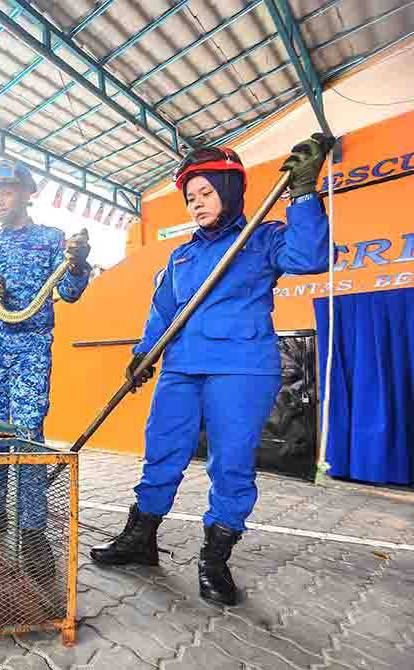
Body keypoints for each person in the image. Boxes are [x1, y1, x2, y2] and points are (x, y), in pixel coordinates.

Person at [90, 135, 334, 606]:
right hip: (181, 366)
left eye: (205, 193)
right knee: (161, 451)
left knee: (231, 465)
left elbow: (310, 258)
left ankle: (215, 558)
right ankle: (141, 539)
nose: (196, 204)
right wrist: (144, 354)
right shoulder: (180, 255)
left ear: (230, 188)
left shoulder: (262, 236)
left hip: (242, 368)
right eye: (190, 198)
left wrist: (303, 194)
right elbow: (162, 311)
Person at [0, 159, 92, 582]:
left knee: (28, 438)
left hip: (29, 352)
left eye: (6, 192)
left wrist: (77, 265)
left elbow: (70, 293)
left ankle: (33, 531)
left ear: (25, 194)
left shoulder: (51, 240)